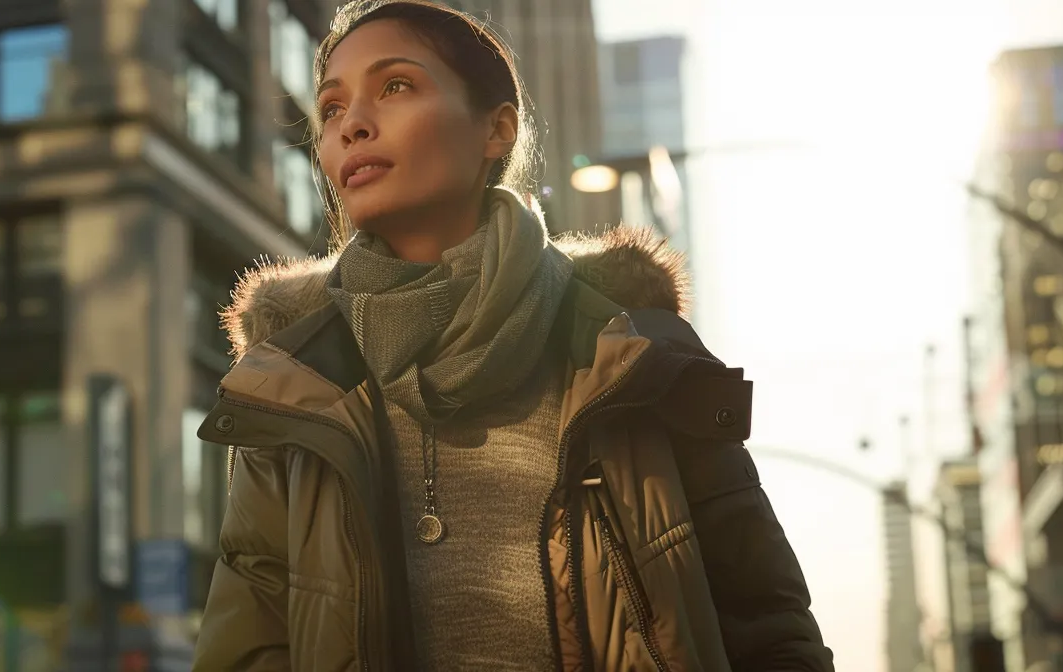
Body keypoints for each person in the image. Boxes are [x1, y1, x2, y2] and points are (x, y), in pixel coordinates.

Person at [191, 1, 834, 669]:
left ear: (496, 128)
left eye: (395, 86)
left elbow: (769, 631)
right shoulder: (289, 389)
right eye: (330, 108)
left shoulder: (641, 360)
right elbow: (247, 651)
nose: (351, 124)